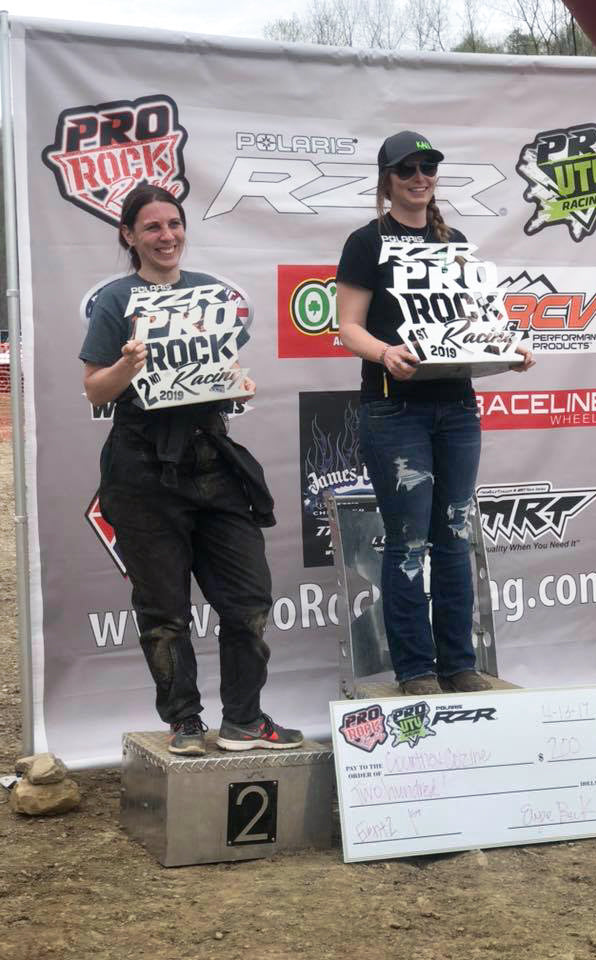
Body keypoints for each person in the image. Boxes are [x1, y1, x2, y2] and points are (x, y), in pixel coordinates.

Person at [79, 183, 303, 756]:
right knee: (163, 608)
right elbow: (93, 389)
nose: (166, 236)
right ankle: (184, 722)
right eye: (151, 227)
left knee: (248, 598)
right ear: (128, 236)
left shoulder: (211, 295)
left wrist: (239, 388)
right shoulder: (114, 301)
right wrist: (126, 365)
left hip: (213, 458)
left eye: (173, 224)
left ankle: (245, 721)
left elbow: (221, 376)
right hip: (141, 465)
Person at [336, 131, 534, 697]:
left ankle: (459, 663)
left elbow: (472, 323)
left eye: (428, 167)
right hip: (394, 410)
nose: (420, 177)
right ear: (387, 181)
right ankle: (415, 669)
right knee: (406, 542)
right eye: (407, 170)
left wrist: (506, 347)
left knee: (453, 534)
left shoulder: (456, 240)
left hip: (455, 405)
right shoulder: (365, 241)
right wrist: (384, 352)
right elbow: (347, 325)